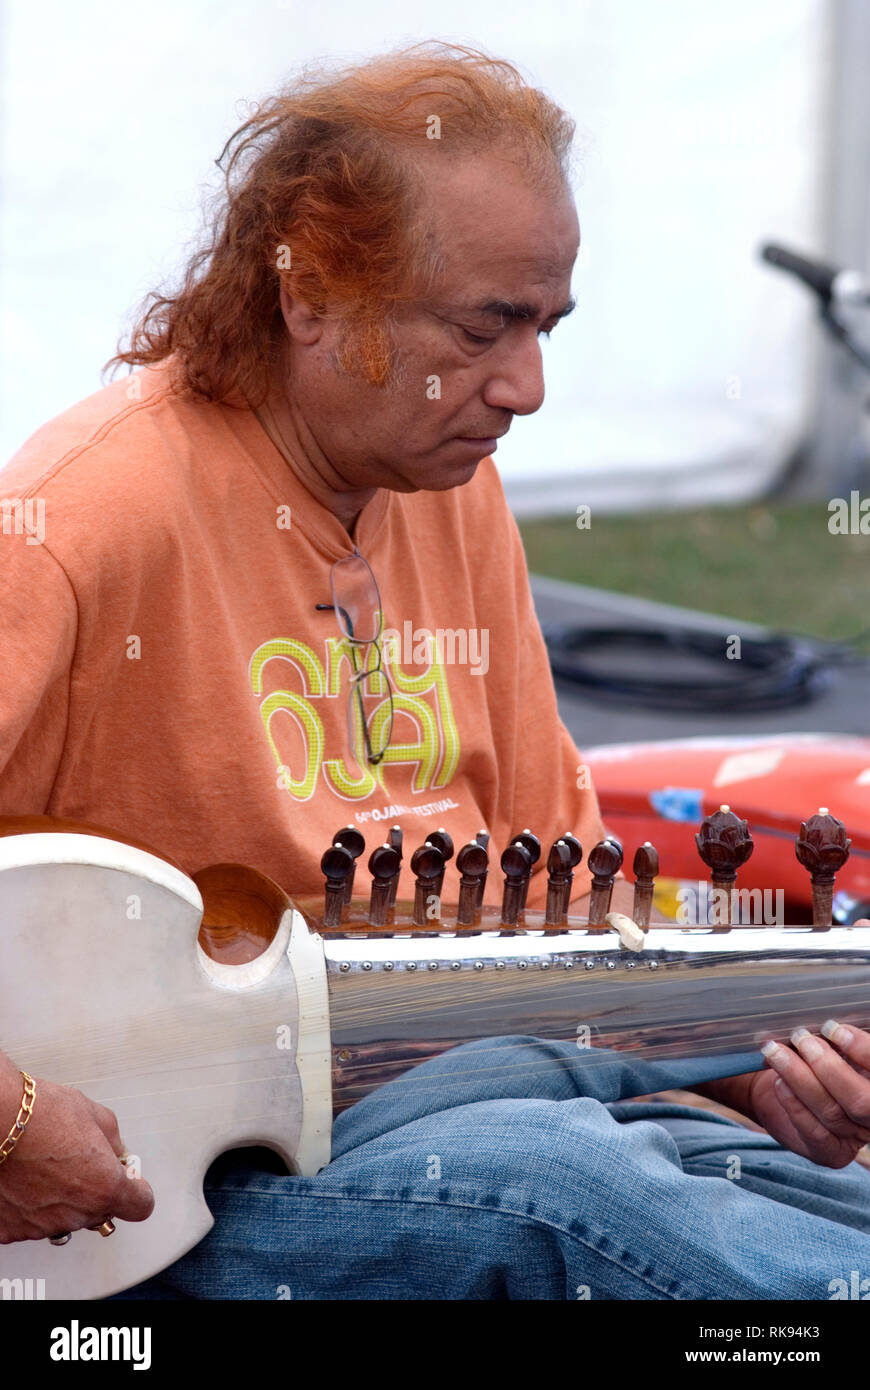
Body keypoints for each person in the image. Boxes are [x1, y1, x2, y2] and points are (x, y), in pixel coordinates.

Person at [1, 42, 869, 1300]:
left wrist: (755, 1078)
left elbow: (575, 924)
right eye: (484, 327)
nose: (526, 386)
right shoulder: (82, 517)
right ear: (309, 294)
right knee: (565, 1187)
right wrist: (17, 1120)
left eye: (546, 325)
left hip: (504, 1077)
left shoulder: (454, 495)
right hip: (177, 1187)